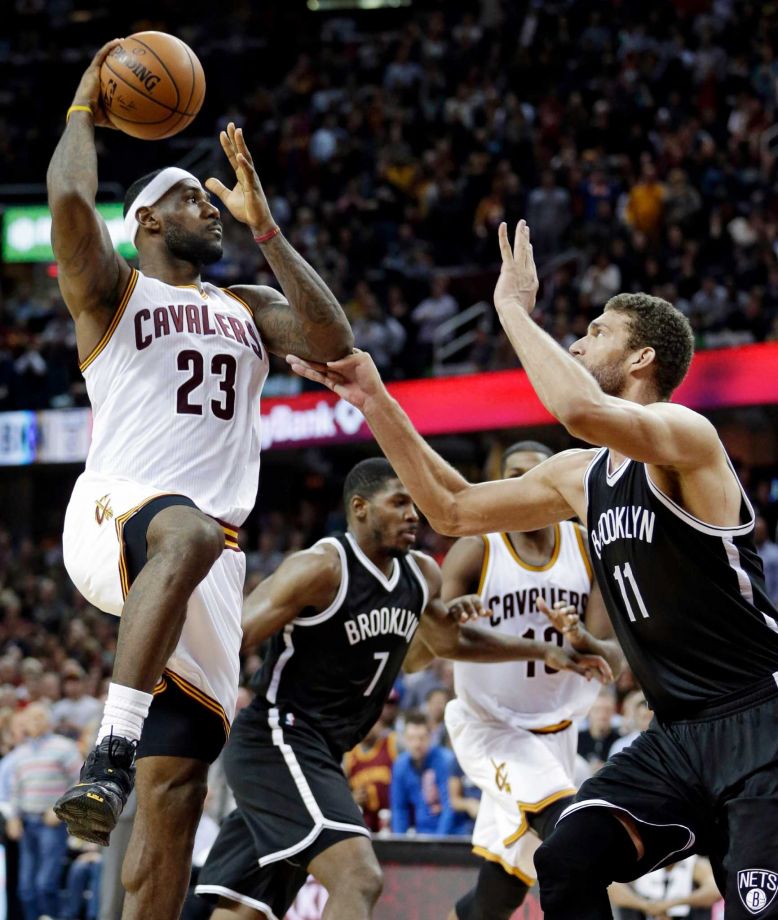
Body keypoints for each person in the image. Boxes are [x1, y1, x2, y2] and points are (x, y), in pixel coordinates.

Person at [288, 219, 778, 918]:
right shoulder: (580, 478)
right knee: (566, 858)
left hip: (761, 721)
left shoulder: (687, 440)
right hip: (674, 736)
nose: (578, 342)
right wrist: (375, 400)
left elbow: (578, 407)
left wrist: (512, 308)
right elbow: (453, 508)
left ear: (642, 358)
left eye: (597, 331)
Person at [47, 40, 354, 920]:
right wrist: (83, 104)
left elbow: (333, 341)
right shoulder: (112, 292)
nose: (206, 208)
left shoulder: (248, 309)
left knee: (177, 794)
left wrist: (267, 228)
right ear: (145, 221)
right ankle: (106, 752)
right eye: (190, 197)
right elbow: (70, 200)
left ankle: (130, 775)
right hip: (117, 515)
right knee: (178, 528)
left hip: (212, 562)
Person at [195, 458, 608, 920]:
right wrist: (186, 724)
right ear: (360, 509)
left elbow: (436, 648)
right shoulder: (320, 568)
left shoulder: (422, 574)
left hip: (323, 750)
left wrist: (530, 648)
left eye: (414, 503)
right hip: (277, 737)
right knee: (359, 876)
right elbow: (233, 638)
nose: (413, 514)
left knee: (244, 907)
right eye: (398, 503)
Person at [427, 440, 623, 919]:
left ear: (553, 486)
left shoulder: (584, 545)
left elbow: (611, 660)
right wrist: (458, 619)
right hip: (492, 728)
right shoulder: (476, 548)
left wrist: (581, 639)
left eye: (534, 476)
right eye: (513, 474)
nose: (522, 486)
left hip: (558, 732)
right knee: (573, 834)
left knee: (499, 895)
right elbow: (439, 643)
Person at [5, 704, 82, 920]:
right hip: (26, 823)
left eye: (40, 717)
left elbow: (80, 780)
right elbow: (15, 790)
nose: (36, 722)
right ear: (25, 724)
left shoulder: (65, 747)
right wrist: (13, 818)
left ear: (49, 722)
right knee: (25, 888)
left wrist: (59, 808)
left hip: (52, 824)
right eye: (31, 718)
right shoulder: (20, 753)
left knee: (45, 885)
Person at [390, 711, 454, 835]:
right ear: (403, 739)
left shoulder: (446, 760)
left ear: (430, 737)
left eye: (422, 738)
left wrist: (438, 845)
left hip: (451, 834)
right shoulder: (400, 765)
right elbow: (399, 809)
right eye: (411, 739)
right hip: (420, 833)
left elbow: (449, 807)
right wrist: (399, 842)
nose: (416, 744)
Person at [609, 855, 721, 919]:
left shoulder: (694, 863)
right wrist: (646, 905)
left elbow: (714, 890)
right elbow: (611, 886)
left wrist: (670, 904)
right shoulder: (641, 864)